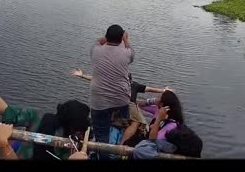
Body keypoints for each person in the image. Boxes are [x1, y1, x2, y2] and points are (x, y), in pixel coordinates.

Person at [0, 67, 90, 160]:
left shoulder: (36, 117)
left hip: (23, 153)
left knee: (13, 138)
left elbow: (5, 110)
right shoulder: (76, 139)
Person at [71, 69, 172, 145]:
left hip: (116, 104)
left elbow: (150, 89)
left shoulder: (127, 84)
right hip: (126, 103)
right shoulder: (129, 84)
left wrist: (163, 90)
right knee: (138, 122)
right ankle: (122, 143)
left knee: (131, 120)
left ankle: (120, 134)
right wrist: (82, 76)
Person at [89, 25, 134, 159]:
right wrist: (126, 40)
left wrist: (105, 37)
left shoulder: (95, 51)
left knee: (102, 136)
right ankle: (121, 143)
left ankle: (103, 156)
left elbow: (97, 41)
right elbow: (131, 51)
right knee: (122, 125)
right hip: (121, 101)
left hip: (99, 102)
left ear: (106, 37)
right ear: (121, 39)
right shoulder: (127, 53)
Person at [132, 90, 203, 159]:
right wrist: (153, 101)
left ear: (162, 104)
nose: (155, 98)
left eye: (158, 97)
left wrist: (158, 119)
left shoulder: (172, 125)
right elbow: (140, 105)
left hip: (154, 147)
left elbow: (152, 139)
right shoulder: (157, 110)